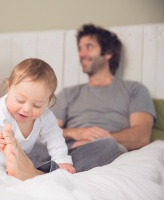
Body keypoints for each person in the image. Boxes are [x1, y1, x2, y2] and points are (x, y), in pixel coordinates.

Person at [28, 24, 157, 172]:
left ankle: (40, 170)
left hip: (102, 148)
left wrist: (98, 138)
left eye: (88, 47)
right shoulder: (68, 93)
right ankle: (52, 169)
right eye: (80, 49)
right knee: (26, 142)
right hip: (65, 149)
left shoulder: (134, 89)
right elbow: (45, 131)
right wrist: (76, 133)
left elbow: (141, 136)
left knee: (109, 146)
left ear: (108, 52)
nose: (81, 54)